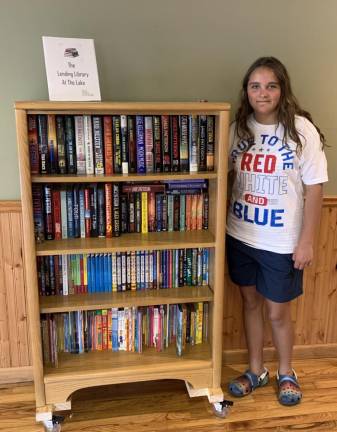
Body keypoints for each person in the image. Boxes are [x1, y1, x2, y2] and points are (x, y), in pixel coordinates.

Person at [226, 56, 328, 406]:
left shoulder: (301, 130)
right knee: (250, 303)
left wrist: (307, 241)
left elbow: (315, 188)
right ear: (247, 92)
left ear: (282, 90)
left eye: (270, 85)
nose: (263, 92)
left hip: (281, 241)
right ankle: (256, 370)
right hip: (240, 235)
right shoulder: (237, 129)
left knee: (277, 312)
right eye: (255, 86)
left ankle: (287, 371)